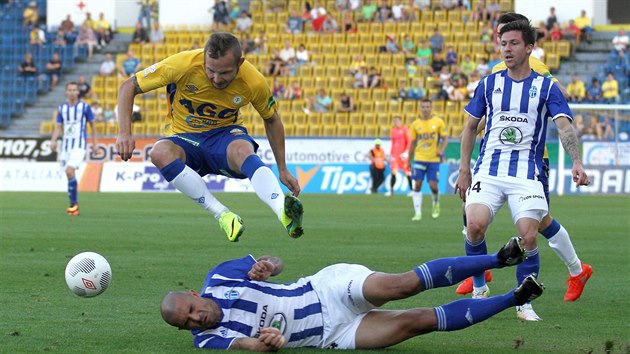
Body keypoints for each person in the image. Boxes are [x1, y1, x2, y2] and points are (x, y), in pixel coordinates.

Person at [160, 237, 544, 350]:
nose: (197, 319)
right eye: (188, 323)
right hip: (333, 335)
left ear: (195, 293)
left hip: (324, 289)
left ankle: (497, 259)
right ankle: (516, 298)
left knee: (400, 285)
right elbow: (250, 349)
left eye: (192, 309)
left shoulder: (221, 278)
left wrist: (269, 266)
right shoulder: (208, 340)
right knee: (417, 321)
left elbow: (275, 261)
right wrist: (270, 343)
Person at [454, 20, 591, 323]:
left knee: (529, 235)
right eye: (503, 44)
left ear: (529, 47)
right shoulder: (489, 83)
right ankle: (479, 289)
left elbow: (565, 127)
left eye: (514, 43)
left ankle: (523, 302)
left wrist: (576, 162)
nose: (507, 49)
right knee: (473, 225)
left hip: (526, 173)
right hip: (489, 169)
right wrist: (464, 170)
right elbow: (469, 128)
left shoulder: (545, 86)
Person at [115, 32, 304, 242]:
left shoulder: (253, 81)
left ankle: (283, 213)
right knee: (159, 152)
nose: (216, 78)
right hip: (184, 139)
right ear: (204, 57)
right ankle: (223, 215)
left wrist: (283, 168)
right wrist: (124, 132)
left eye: (224, 73)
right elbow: (128, 86)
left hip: (224, 136)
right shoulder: (183, 64)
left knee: (243, 150)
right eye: (210, 70)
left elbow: (272, 119)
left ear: (240, 63)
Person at [50, 82, 97, 216]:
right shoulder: (62, 108)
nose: (72, 92)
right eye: (69, 90)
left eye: (74, 90)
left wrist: (95, 144)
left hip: (79, 145)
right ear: (66, 92)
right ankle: (74, 205)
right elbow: (58, 126)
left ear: (78, 92)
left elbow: (93, 125)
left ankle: (73, 204)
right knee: (69, 174)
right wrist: (53, 141)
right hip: (66, 147)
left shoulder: (84, 107)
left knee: (69, 171)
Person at [408, 99, 448, 220]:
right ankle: (418, 212)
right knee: (417, 185)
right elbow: (413, 143)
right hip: (419, 158)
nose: (425, 109)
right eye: (423, 107)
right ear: (420, 108)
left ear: (431, 108)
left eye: (427, 106)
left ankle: (435, 203)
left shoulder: (438, 122)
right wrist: (409, 159)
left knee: (433, 186)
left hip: (433, 159)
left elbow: (445, 139)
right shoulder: (415, 124)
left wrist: (441, 150)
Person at [386, 115, 412, 196]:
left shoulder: (405, 130)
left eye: (397, 121)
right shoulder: (393, 131)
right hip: (395, 156)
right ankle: (391, 190)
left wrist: (407, 152)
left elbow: (409, 141)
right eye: (395, 121)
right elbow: (393, 143)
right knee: (393, 172)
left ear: (401, 121)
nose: (396, 123)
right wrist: (391, 154)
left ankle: (412, 190)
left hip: (403, 156)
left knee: (407, 173)